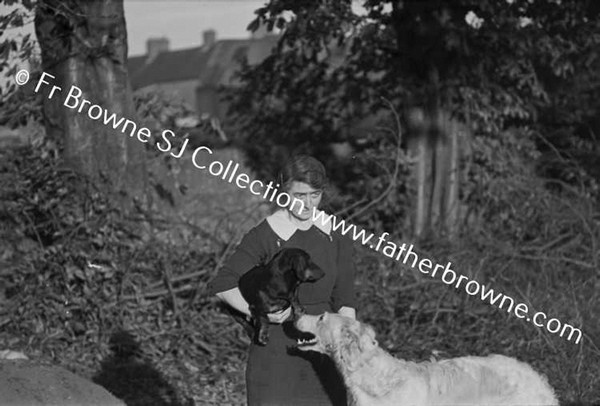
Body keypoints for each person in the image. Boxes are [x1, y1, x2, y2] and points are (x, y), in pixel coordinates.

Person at [208, 154, 357, 406]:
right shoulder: (265, 234)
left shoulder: (335, 234)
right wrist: (257, 312)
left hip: (323, 351)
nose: (308, 205)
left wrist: (350, 347)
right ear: (283, 192)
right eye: (300, 196)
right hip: (275, 356)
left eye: (315, 195)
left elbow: (344, 298)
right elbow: (223, 285)